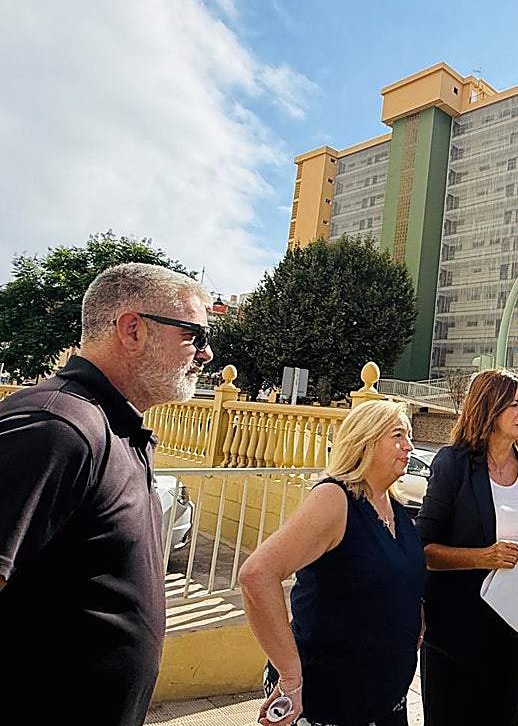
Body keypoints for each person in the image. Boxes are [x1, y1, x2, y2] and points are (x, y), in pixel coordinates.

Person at [0, 262, 213, 726]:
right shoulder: (57, 428)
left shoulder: (113, 429)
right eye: (194, 334)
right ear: (132, 330)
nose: (206, 354)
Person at [239, 399, 426, 726]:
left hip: (386, 696)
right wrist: (290, 677)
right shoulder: (335, 499)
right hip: (331, 698)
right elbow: (257, 575)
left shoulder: (393, 505)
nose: (409, 446)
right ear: (365, 441)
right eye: (398, 435)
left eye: (408, 436)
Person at [415, 368, 518, 725]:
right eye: (514, 404)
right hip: (457, 631)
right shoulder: (453, 464)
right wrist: (484, 557)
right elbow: (424, 550)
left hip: (513, 629)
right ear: (487, 408)